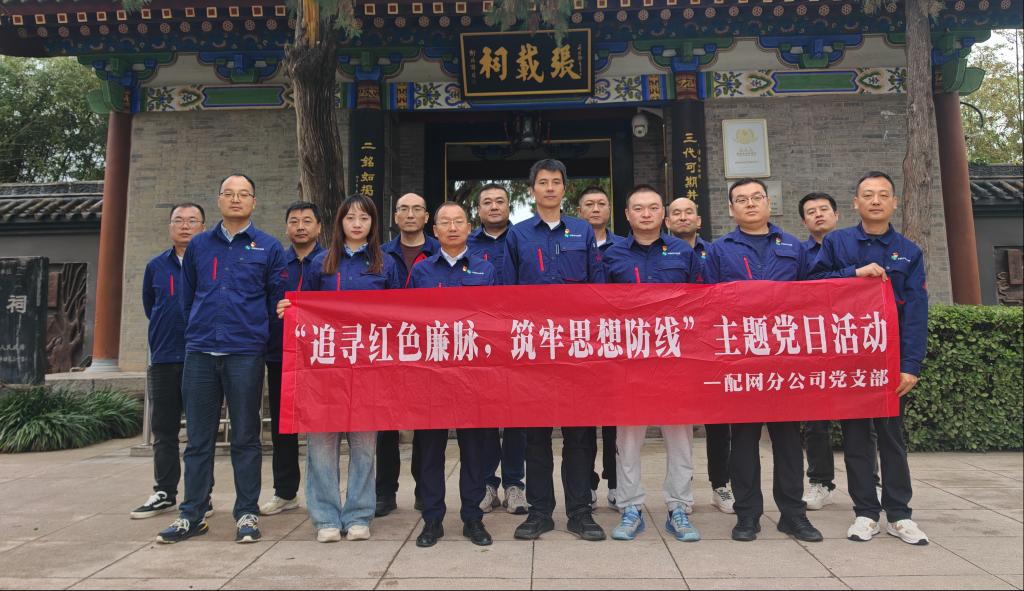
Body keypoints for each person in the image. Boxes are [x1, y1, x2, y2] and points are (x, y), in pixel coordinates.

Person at [157, 174, 287, 544]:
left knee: (246, 437)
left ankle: (247, 513)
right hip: (201, 351)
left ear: (254, 202)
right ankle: (192, 514)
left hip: (245, 353)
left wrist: (255, 335)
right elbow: (187, 297)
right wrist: (199, 329)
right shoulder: (199, 245)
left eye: (243, 194)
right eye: (228, 194)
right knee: (198, 439)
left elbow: (275, 300)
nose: (235, 199)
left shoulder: (268, 247)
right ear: (218, 200)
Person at [809, 171, 930, 546]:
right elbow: (811, 286)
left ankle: (899, 514)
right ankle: (865, 513)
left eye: (883, 195)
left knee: (892, 439)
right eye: (868, 194)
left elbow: (916, 313)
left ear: (895, 202)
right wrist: (854, 273)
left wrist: (910, 365)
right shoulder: (838, 242)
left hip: (889, 360)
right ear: (856, 203)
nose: (875, 200)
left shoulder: (909, 251)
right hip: (848, 359)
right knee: (857, 439)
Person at [703, 178, 822, 543]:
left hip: (784, 359)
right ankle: (747, 515)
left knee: (787, 440)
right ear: (731, 209)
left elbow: (816, 293)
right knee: (743, 441)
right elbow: (706, 302)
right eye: (741, 199)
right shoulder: (719, 250)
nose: (750, 204)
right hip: (740, 360)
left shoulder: (793, 246)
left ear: (769, 203)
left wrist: (856, 277)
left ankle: (793, 514)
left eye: (757, 197)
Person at [276, 194, 400, 543]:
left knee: (364, 446)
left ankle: (359, 514)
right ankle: (325, 517)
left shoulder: (386, 264)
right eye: (350, 218)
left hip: (369, 368)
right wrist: (291, 309)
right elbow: (305, 308)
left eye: (364, 218)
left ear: (373, 224)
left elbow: (400, 313)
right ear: (339, 222)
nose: (357, 224)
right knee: (321, 445)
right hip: (325, 369)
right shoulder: (321, 262)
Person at [502, 159, 606, 542]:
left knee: (579, 435)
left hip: (577, 351)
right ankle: (540, 512)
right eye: (542, 182)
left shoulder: (582, 230)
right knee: (536, 436)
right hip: (534, 351)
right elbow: (507, 294)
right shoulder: (517, 235)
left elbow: (597, 289)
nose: (549, 188)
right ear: (532, 189)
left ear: (565, 189)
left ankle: (580, 512)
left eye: (556, 182)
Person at [601, 185, 702, 542]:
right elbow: (598, 306)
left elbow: (702, 301)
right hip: (629, 362)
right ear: (627, 215)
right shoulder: (611, 255)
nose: (646, 214)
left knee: (680, 437)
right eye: (638, 208)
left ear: (663, 213)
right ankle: (630, 507)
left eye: (653, 207)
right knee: (628, 439)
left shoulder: (683, 252)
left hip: (675, 359)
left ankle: (679, 507)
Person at [407, 202, 499, 548]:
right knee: (430, 449)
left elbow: (496, 316)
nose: (452, 227)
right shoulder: (421, 271)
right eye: (444, 222)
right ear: (435, 231)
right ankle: (432, 519)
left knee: (474, 448)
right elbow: (407, 319)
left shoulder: (485, 269)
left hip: (473, 374)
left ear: (468, 227)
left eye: (458, 221)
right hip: (432, 373)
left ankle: (473, 518)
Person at [132, 203, 208, 520]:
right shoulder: (156, 266)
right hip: (164, 356)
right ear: (170, 227)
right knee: (164, 429)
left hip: (200, 356)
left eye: (192, 221)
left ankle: (201, 494)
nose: (185, 226)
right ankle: (164, 491)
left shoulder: (209, 263)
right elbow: (151, 306)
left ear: (203, 227)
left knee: (200, 431)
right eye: (179, 220)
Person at [666, 196, 734, 513]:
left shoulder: (716, 252)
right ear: (667, 221)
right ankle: (681, 489)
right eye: (676, 213)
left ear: (699, 219)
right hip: (672, 348)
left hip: (711, 346)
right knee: (678, 422)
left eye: (688, 212)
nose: (683, 217)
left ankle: (721, 485)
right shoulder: (659, 252)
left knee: (718, 421)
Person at [376, 192, 440, 517]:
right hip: (387, 348)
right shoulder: (379, 254)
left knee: (425, 423)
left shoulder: (440, 252)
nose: (410, 214)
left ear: (427, 217)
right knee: (385, 423)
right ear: (395, 216)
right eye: (404, 209)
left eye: (417, 209)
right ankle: (384, 492)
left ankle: (424, 490)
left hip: (429, 348)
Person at [259, 202, 324, 517]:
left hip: (322, 356)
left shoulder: (330, 261)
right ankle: (285, 492)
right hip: (280, 353)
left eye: (307, 221)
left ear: (319, 227)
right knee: (283, 425)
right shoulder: (275, 262)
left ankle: (325, 495)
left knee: (323, 426)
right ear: (286, 227)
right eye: (294, 221)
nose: (300, 226)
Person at [468, 184, 529, 516]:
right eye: (487, 202)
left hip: (516, 338)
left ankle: (515, 484)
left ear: (509, 206)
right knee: (485, 415)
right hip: (479, 341)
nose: (494, 207)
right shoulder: (468, 243)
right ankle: (487, 484)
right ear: (478, 209)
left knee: (517, 415)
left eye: (500, 201)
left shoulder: (523, 239)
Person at [576, 184, 621, 507]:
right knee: (584, 418)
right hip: (581, 341)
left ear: (610, 209)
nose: (595, 209)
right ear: (579, 212)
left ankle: (616, 483)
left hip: (616, 342)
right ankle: (587, 484)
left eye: (601, 203)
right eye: (589, 204)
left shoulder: (624, 247)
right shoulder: (572, 245)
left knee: (615, 419)